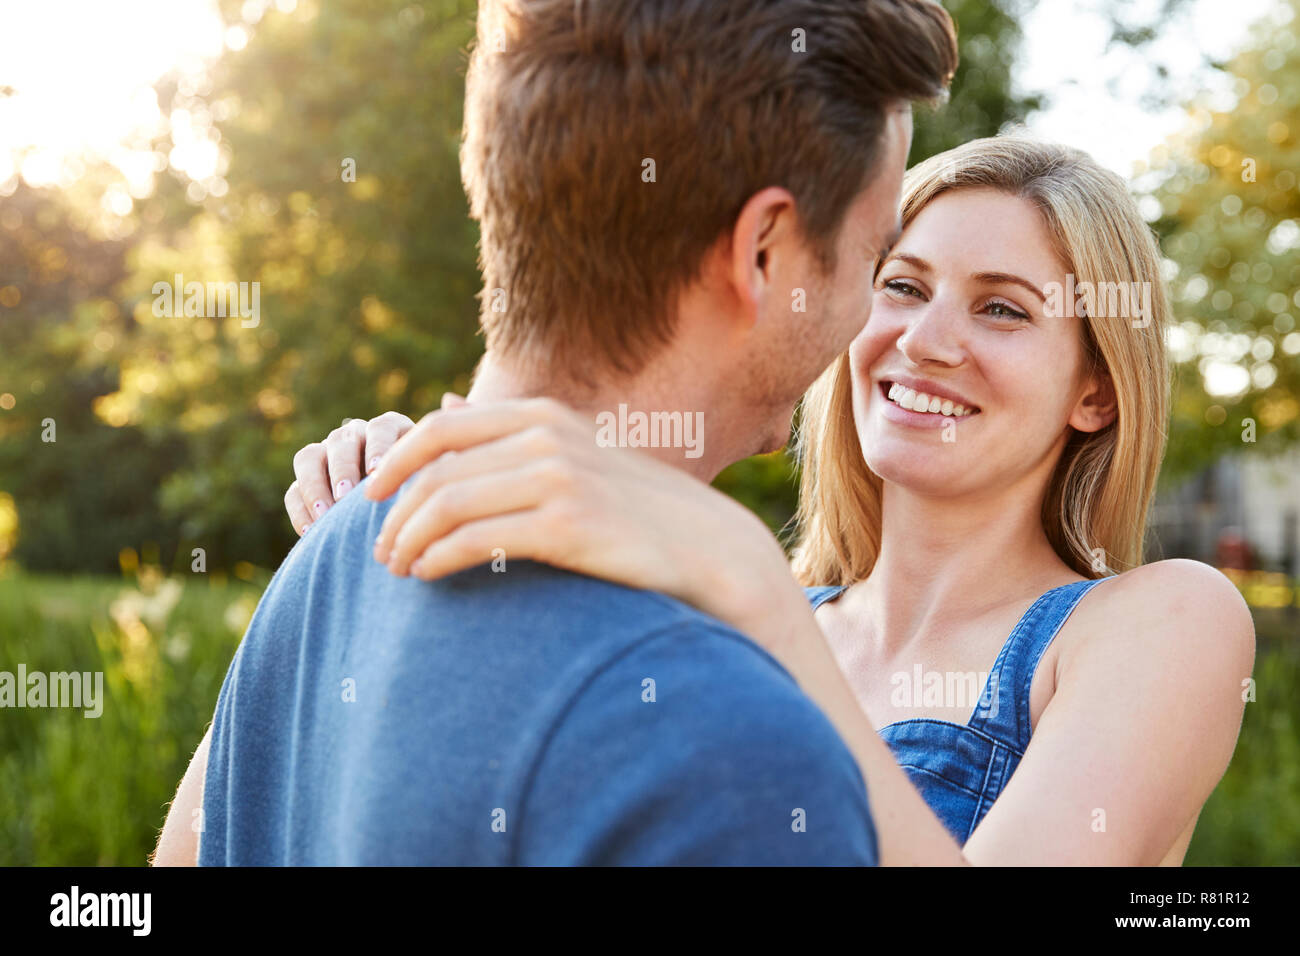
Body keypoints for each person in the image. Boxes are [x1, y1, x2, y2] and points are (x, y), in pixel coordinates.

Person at [151, 0, 959, 865]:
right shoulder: (724, 739)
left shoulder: (333, 549)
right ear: (763, 250)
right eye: (875, 260)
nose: (874, 314)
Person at [301, 136, 1256, 865]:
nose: (924, 340)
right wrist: (393, 501)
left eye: (1001, 307)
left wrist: (750, 581)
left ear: (1097, 390)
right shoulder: (726, 626)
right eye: (902, 285)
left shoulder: (1162, 622)